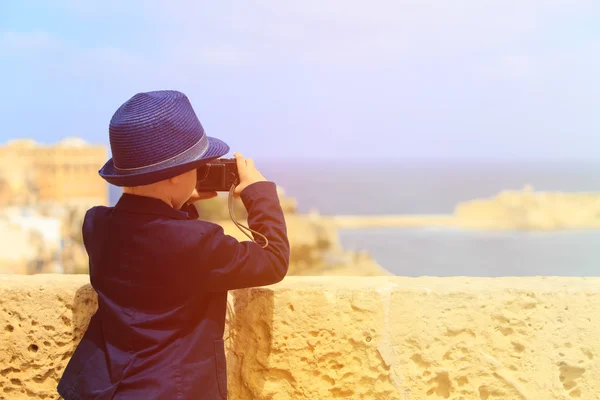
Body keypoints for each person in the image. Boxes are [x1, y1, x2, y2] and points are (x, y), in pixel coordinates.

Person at [57, 90, 290, 399]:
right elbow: (273, 259)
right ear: (174, 176)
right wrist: (259, 193)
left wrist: (176, 203)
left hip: (105, 387)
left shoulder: (97, 225)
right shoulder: (197, 243)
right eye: (196, 165)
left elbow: (152, 240)